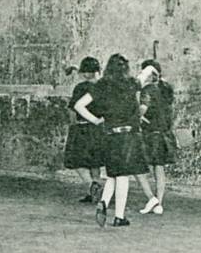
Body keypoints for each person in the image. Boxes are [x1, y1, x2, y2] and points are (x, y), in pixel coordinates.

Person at [72, 54, 150, 227]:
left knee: (112, 175)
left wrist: (96, 120)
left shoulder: (101, 85)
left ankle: (104, 203)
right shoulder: (131, 83)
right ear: (125, 68)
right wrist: (152, 71)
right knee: (123, 176)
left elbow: (78, 106)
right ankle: (119, 217)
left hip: (108, 135)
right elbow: (145, 75)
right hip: (127, 136)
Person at [63, 57, 106, 203]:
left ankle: (92, 186)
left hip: (82, 127)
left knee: (77, 161)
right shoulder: (102, 87)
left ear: (86, 73)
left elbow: (72, 110)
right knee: (94, 162)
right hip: (99, 128)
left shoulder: (81, 88)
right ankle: (94, 190)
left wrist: (73, 125)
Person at [137, 59, 175, 215]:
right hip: (164, 134)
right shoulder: (167, 89)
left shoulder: (147, 90)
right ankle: (159, 202)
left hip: (149, 134)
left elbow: (142, 110)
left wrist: (136, 113)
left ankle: (151, 197)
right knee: (159, 169)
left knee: (137, 167)